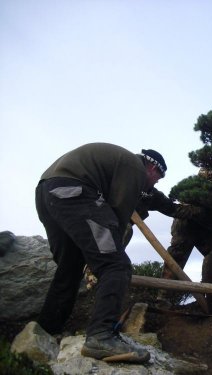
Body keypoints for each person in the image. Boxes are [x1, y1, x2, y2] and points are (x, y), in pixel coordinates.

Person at [35, 143, 168, 362]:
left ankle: (46, 332)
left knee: (69, 268)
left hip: (47, 192)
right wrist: (107, 260)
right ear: (153, 169)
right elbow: (117, 216)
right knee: (116, 265)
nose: (155, 183)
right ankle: (101, 336)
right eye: (158, 179)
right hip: (74, 190)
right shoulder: (135, 167)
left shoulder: (117, 162)